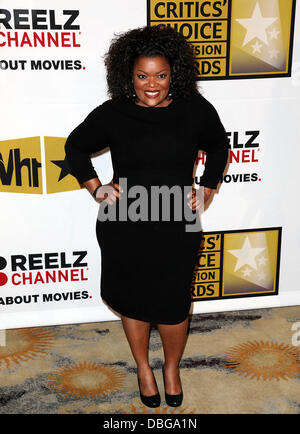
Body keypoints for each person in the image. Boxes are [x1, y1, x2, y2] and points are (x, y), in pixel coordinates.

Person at [64, 25, 230, 408]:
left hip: (176, 221)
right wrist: (96, 187)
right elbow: (75, 147)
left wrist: (206, 187)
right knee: (131, 297)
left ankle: (172, 368)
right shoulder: (114, 113)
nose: (151, 84)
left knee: (174, 303)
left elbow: (219, 145)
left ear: (175, 74)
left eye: (160, 75)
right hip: (124, 222)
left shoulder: (194, 109)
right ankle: (142, 367)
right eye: (142, 76)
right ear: (129, 75)